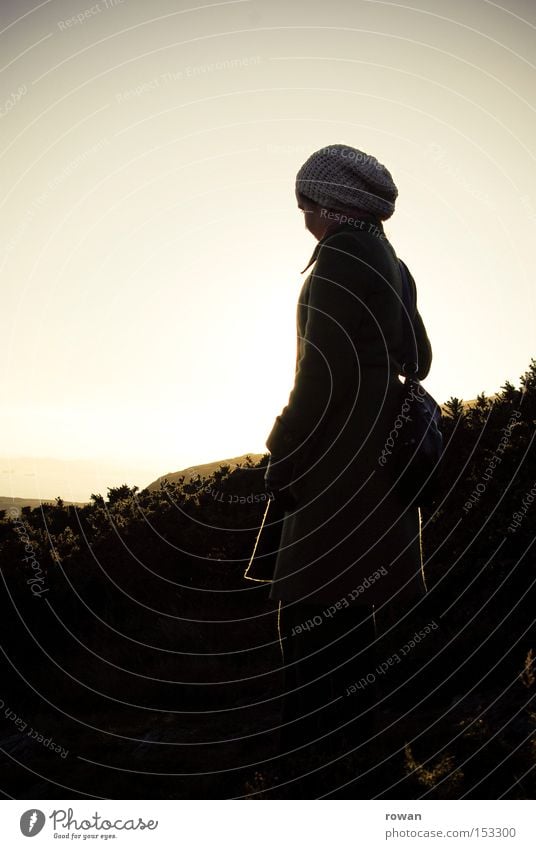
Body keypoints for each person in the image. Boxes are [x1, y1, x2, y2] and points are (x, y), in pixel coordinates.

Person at [263, 144, 433, 759]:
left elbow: (320, 378)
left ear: (330, 203)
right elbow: (420, 359)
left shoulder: (338, 260)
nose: (302, 211)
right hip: (380, 466)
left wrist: (280, 447)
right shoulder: (392, 261)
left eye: (305, 199)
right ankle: (355, 751)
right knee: (355, 608)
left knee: (312, 613)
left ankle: (313, 765)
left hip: (335, 464)